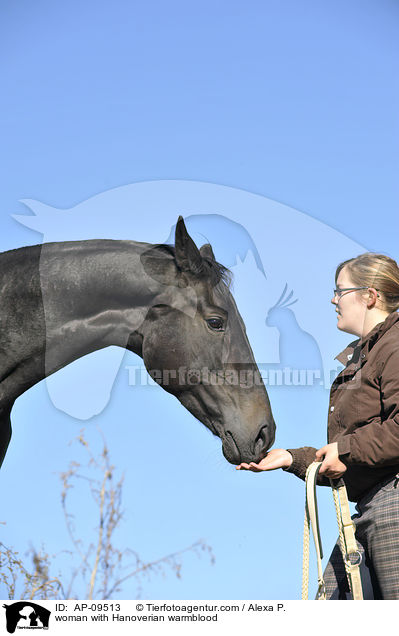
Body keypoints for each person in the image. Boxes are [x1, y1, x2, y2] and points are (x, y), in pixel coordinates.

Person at [237, 253, 399, 599]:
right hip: (367, 510)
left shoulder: (395, 345)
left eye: (340, 290)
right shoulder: (366, 353)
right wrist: (291, 459)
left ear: (369, 296)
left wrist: (346, 451)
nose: (333, 299)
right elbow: (350, 453)